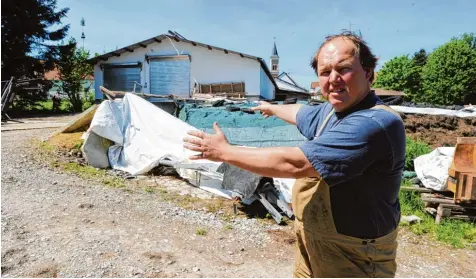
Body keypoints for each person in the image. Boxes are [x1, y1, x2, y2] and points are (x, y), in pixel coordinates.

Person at [183, 31, 405, 278]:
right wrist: (272, 108)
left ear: (368, 72)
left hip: (353, 253)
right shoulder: (331, 111)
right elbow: (300, 112)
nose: (333, 79)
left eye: (344, 69)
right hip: (313, 237)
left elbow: (295, 163)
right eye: (325, 72)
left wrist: (225, 152)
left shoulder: (375, 122)